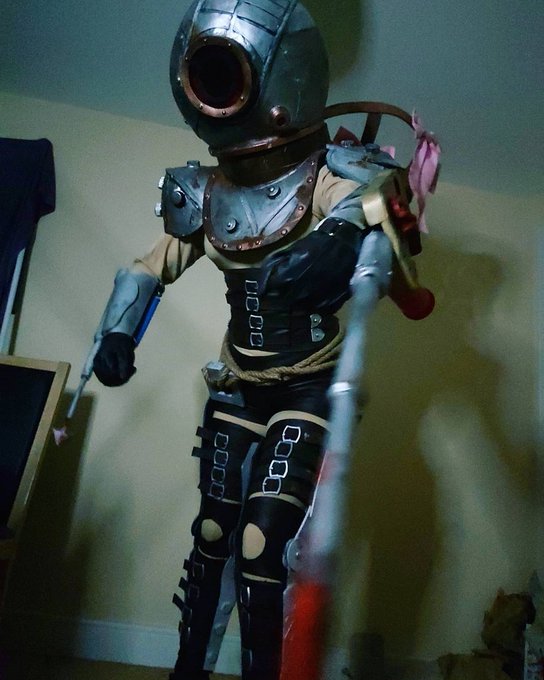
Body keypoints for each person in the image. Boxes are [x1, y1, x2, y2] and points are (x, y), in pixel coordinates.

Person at [90, 2, 436, 678]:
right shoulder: (203, 191)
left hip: (308, 387)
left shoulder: (336, 177)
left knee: (261, 540)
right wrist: (118, 333)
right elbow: (151, 266)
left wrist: (343, 236)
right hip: (237, 384)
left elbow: (375, 226)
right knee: (213, 532)